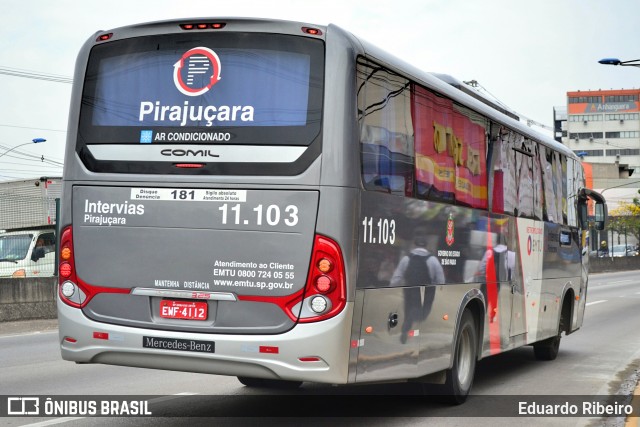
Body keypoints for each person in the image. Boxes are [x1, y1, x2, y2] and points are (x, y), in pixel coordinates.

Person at [389, 227, 444, 343]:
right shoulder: (433, 260)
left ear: (414, 244)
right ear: (426, 245)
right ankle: (411, 323)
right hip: (426, 292)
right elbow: (441, 280)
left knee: (409, 309)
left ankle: (406, 327)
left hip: (409, 290)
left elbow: (396, 278)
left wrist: (390, 287)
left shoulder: (406, 259)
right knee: (421, 314)